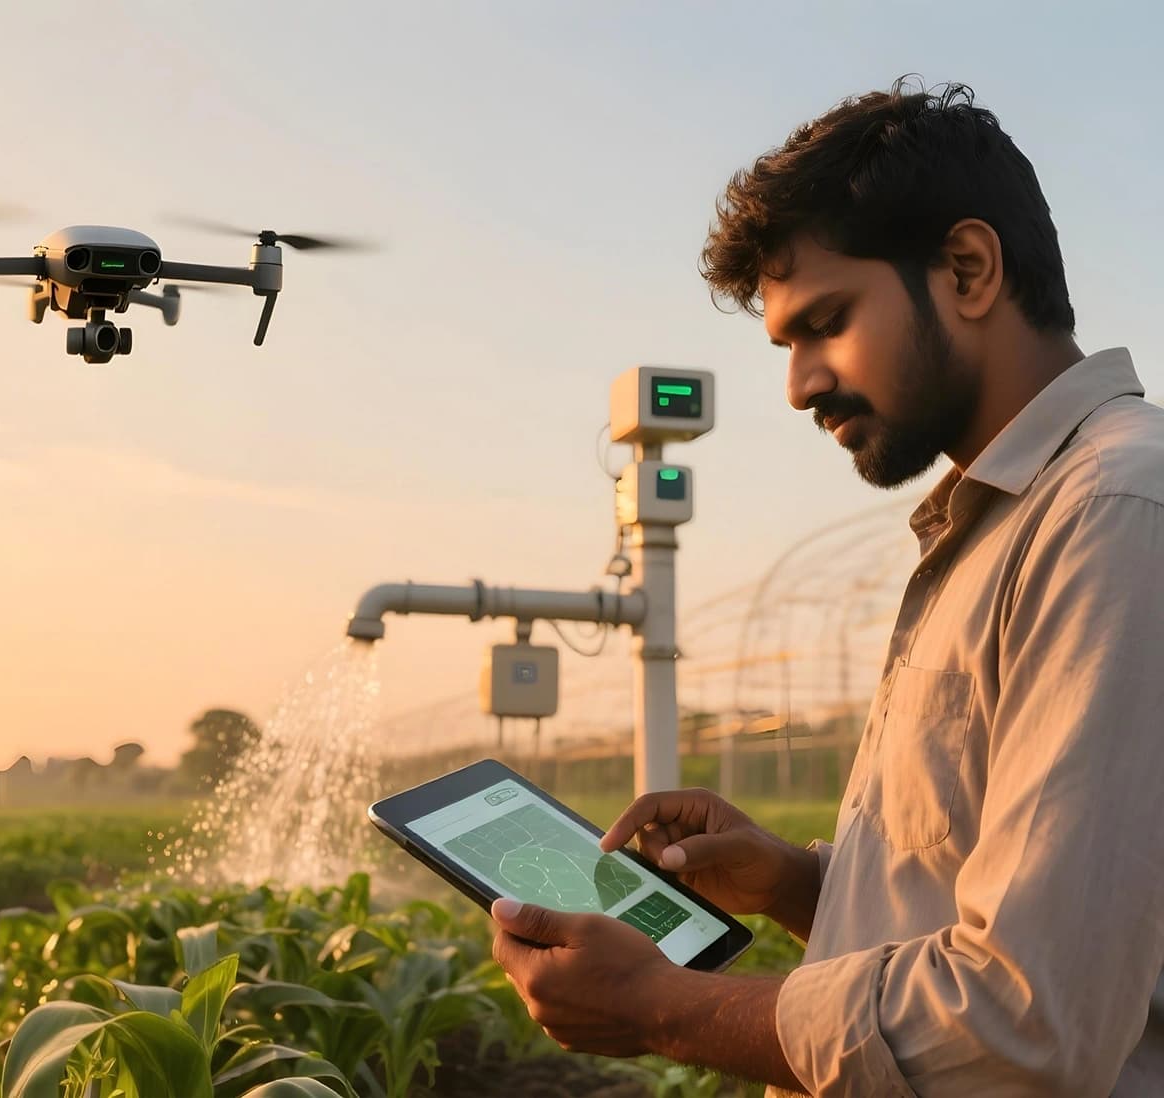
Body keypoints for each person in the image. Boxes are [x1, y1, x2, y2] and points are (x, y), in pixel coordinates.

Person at [488, 77, 1164, 1096]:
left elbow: (1025, 1022)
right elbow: (1016, 910)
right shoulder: (999, 522)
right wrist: (800, 883)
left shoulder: (1113, 512)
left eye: (828, 322)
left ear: (968, 270)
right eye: (787, 344)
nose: (800, 384)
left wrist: (659, 1005)